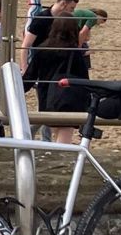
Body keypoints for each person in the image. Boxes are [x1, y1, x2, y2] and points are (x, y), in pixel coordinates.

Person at [27, 14, 91, 144]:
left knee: (54, 131)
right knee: (64, 136)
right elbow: (84, 79)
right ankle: (59, 162)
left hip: (46, 98)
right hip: (67, 98)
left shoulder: (42, 49)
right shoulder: (74, 52)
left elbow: (30, 77)